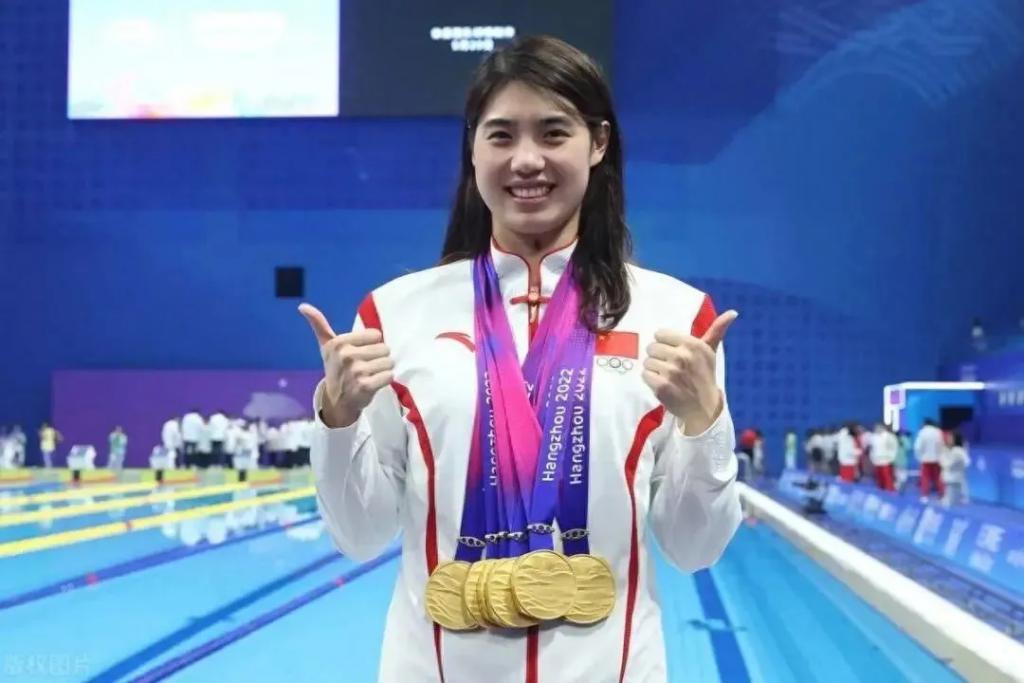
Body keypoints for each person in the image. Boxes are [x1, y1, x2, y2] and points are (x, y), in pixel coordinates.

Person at [298, 36, 742, 683]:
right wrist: (337, 420)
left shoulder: (677, 319)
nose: (526, 159)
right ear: (473, 150)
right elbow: (360, 534)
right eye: (501, 135)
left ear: (598, 143)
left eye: (553, 132)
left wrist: (705, 424)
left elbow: (694, 546)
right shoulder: (393, 316)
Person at [914, 418, 946, 501]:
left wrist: (919, 456)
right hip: (936, 459)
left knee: (925, 477)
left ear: (925, 424)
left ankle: (924, 495)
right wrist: (940, 456)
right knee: (938, 477)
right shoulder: (938, 432)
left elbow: (918, 446)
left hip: (925, 459)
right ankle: (942, 494)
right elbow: (941, 445)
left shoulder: (922, 432)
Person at [941, 433, 970, 506]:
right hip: (951, 477)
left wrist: (957, 465)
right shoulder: (949, 449)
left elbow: (966, 462)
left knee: (959, 485)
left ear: (955, 439)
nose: (948, 440)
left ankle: (962, 498)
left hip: (955, 476)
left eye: (950, 438)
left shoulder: (958, 451)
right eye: (948, 438)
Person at [869, 423, 898, 491]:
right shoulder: (873, 437)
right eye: (876, 427)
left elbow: (894, 447)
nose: (878, 429)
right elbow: (872, 449)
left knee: (887, 476)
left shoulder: (889, 436)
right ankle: (881, 490)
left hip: (886, 460)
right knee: (879, 477)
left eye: (879, 427)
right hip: (876, 460)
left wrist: (891, 457)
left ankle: (889, 490)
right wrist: (872, 458)